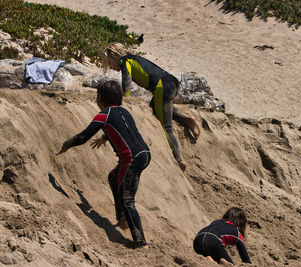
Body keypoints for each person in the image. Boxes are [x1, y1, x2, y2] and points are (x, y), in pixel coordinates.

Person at [57, 80, 150, 249]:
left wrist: (67, 144)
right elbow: (124, 128)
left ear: (100, 97)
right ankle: (122, 219)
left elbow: (83, 137)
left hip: (131, 158)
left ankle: (141, 242)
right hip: (144, 153)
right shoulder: (124, 111)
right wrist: (105, 137)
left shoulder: (104, 115)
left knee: (128, 199)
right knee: (113, 177)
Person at [101, 42, 200, 171]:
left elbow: (127, 81)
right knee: (156, 106)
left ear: (114, 56)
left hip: (162, 87)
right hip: (172, 82)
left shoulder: (125, 61)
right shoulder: (134, 57)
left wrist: (123, 99)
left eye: (109, 63)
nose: (111, 67)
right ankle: (188, 120)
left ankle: (180, 160)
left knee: (166, 127)